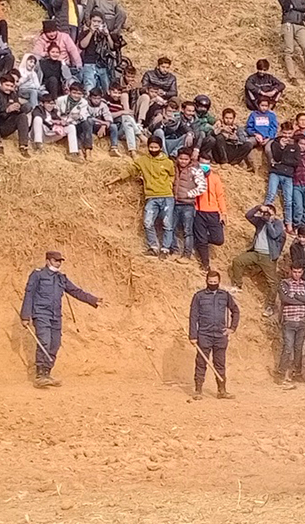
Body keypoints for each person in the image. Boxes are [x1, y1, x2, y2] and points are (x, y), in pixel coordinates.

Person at [20, 251, 102, 388]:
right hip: (41, 314)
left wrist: (93, 300)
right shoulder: (38, 274)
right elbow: (29, 293)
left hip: (56, 316)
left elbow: (75, 291)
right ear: (48, 261)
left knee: (55, 344)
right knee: (44, 342)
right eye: (55, 260)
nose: (58, 263)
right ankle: (40, 375)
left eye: (60, 261)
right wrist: (25, 316)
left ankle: (47, 372)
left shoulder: (61, 278)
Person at [110, 137, 177, 257]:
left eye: (156, 147)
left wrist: (169, 184)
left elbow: (172, 175)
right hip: (151, 196)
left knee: (167, 224)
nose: (153, 149)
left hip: (167, 196)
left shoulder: (168, 162)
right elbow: (130, 170)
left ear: (160, 148)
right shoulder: (143, 161)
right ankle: (153, 247)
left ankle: (165, 249)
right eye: (151, 147)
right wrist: (116, 179)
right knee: (147, 222)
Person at [188, 270, 240, 400]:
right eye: (210, 282)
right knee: (201, 363)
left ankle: (222, 390)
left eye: (215, 282)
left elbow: (235, 311)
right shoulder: (199, 296)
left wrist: (232, 328)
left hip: (220, 335)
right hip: (204, 334)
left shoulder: (225, 295)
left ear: (219, 282)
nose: (212, 284)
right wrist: (192, 336)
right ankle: (198, 391)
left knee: (220, 363)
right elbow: (193, 317)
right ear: (206, 281)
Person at [229, 204, 286, 314]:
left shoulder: (278, 223)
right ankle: (237, 285)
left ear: (274, 214)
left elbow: (274, 235)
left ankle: (270, 306)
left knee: (272, 282)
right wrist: (258, 208)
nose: (266, 215)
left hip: (268, 256)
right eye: (265, 213)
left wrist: (269, 221)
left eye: (269, 213)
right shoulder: (260, 222)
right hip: (256, 253)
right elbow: (248, 216)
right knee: (238, 261)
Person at [277, 263, 305, 384]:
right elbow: (285, 299)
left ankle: (297, 372)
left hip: (302, 320)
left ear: (302, 272)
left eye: (299, 272)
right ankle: (281, 372)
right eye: (295, 272)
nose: (297, 274)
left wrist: (295, 296)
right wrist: (301, 300)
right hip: (289, 319)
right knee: (288, 347)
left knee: (299, 348)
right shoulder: (285, 283)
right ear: (290, 271)